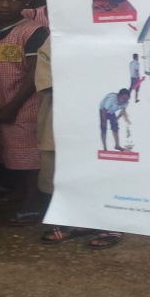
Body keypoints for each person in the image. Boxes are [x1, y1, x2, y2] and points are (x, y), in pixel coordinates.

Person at [0, 0, 49, 226]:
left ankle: (32, 202)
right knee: (11, 154)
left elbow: (36, 74)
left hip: (26, 104)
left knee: (31, 157)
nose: (5, 5)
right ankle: (19, 195)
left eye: (13, 0)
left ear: (27, 1)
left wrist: (13, 106)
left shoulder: (32, 32)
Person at [42, 43, 125, 249]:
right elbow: (47, 81)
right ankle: (73, 222)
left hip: (101, 111)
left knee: (107, 169)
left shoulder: (119, 33)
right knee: (65, 169)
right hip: (66, 112)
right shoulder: (58, 37)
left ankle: (110, 222)